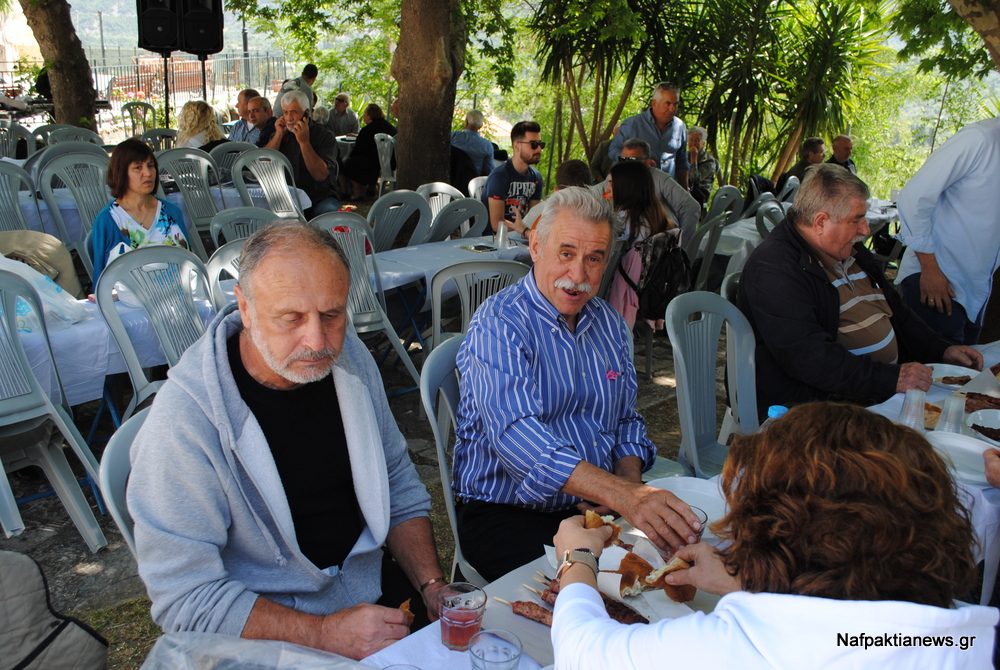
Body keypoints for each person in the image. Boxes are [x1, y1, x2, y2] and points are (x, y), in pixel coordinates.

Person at [127, 221, 448, 659]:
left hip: (373, 598)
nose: (317, 341)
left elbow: (397, 484)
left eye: (332, 314)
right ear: (245, 307)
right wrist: (324, 635)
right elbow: (185, 598)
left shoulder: (350, 359)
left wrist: (431, 585)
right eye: (291, 318)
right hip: (264, 635)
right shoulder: (185, 421)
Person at [551, 402, 996, 668]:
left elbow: (584, 652)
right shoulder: (961, 635)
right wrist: (744, 582)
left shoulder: (749, 643)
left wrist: (579, 559)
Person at [453, 187, 701, 582]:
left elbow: (626, 420)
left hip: (596, 505)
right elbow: (520, 440)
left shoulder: (609, 324)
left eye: (594, 258)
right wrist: (621, 495)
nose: (578, 275)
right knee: (599, 595)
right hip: (506, 512)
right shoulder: (499, 324)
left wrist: (629, 486)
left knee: (672, 571)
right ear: (535, 245)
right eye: (565, 253)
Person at [737, 163, 982, 418]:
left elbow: (896, 312)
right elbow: (810, 359)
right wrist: (890, 378)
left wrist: (941, 349)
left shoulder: (848, 249)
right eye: (856, 219)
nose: (865, 230)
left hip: (873, 391)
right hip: (816, 406)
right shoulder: (775, 269)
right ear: (821, 222)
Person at [894, 116, 1000, 346]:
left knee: (964, 376)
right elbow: (913, 198)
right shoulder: (980, 138)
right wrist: (930, 269)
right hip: (938, 281)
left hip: (976, 292)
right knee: (933, 377)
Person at [88, 139, 190, 283]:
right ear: (121, 173)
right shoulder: (108, 220)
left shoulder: (171, 212)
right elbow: (101, 281)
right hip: (130, 302)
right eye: (137, 167)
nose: (148, 173)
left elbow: (190, 263)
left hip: (179, 296)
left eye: (151, 166)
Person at [595, 138, 699, 252]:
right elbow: (597, 194)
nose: (626, 164)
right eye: (623, 159)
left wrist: (683, 247)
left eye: (632, 160)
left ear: (648, 162)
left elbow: (691, 206)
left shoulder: (659, 180)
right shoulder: (615, 177)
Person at [606, 160, 674, 328]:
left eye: (611, 183)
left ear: (625, 187)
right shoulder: (656, 218)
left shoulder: (622, 222)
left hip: (621, 293)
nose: (606, 189)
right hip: (648, 293)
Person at [263, 89, 340, 217]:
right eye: (285, 112)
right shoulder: (280, 134)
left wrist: (304, 143)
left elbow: (320, 175)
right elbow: (264, 164)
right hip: (285, 199)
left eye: (294, 112)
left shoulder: (324, 136)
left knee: (329, 213)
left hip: (319, 198)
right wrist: (278, 135)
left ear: (306, 113)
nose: (288, 118)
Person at [609, 83, 689, 189]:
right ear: (654, 103)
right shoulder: (632, 124)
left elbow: (682, 161)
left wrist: (685, 189)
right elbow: (613, 151)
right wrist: (636, 161)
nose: (672, 109)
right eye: (668, 104)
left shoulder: (680, 127)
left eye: (676, 104)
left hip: (668, 191)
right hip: (637, 189)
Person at [482, 121, 544, 235]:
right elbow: (497, 225)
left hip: (521, 236)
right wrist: (525, 230)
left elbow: (534, 217)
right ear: (517, 146)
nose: (539, 149)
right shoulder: (499, 177)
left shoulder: (536, 177)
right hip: (494, 240)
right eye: (533, 144)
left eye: (541, 144)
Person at [339, 103, 396, 201]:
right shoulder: (389, 127)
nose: (364, 116)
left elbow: (359, 149)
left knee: (351, 163)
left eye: (365, 113)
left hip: (372, 164)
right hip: (390, 162)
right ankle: (371, 189)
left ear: (369, 116)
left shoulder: (367, 130)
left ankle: (357, 193)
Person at [451, 110, 495, 176]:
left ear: (466, 122)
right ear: (481, 126)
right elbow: (489, 170)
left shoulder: (453, 136)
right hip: (474, 183)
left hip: (451, 178)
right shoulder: (486, 145)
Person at [686, 125, 718, 206]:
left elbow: (694, 179)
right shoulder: (685, 156)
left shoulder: (709, 161)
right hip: (685, 189)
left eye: (697, 140)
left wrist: (694, 159)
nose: (693, 143)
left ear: (703, 143)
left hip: (699, 194)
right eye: (691, 140)